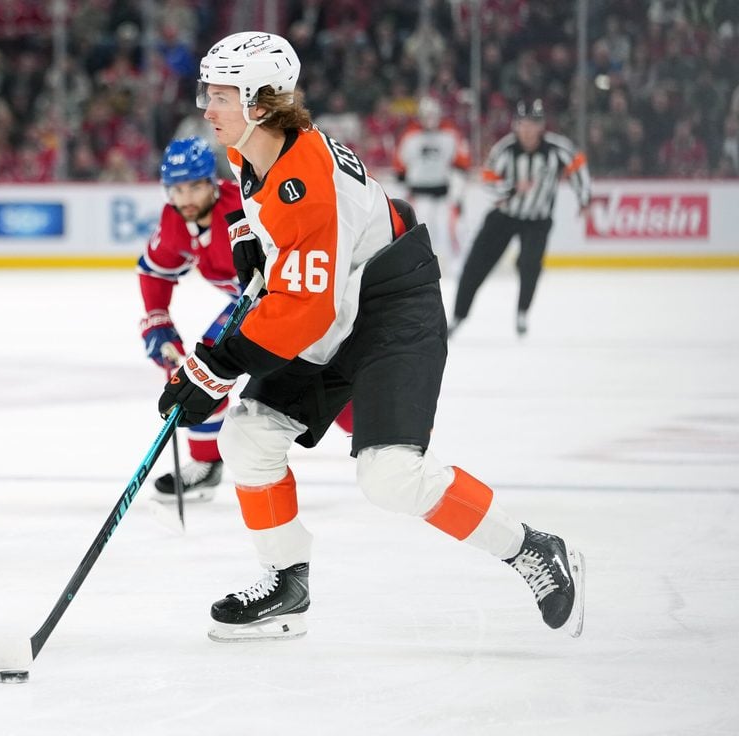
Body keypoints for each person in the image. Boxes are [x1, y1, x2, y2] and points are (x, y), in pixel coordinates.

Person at [157, 32, 585, 642]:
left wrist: (214, 367)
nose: (207, 108)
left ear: (258, 102)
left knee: (391, 477)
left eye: (220, 96)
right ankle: (286, 582)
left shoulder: (302, 179)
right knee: (250, 437)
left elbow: (303, 311)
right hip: (339, 303)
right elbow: (276, 245)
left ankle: (532, 549)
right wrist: (253, 246)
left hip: (390, 311)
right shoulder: (252, 151)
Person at [137, 137, 243, 502]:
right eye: (177, 189)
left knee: (327, 383)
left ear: (212, 182)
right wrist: (157, 319)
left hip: (289, 300)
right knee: (196, 370)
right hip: (249, 303)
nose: (187, 198)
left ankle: (391, 446)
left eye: (195, 186)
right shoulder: (174, 220)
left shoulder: (242, 211)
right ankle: (205, 462)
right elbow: (155, 271)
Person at [450, 99, 591, 337]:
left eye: (532, 124)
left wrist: (584, 199)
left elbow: (578, 167)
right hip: (505, 216)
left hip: (538, 219)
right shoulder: (505, 149)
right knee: (475, 265)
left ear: (541, 126)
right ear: (516, 125)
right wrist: (511, 188)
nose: (527, 130)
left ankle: (522, 312)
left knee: (530, 264)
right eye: (523, 124)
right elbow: (487, 177)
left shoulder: (557, 149)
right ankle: (457, 316)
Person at [392, 96, 471, 277]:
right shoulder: (410, 135)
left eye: (433, 114)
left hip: (442, 192)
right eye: (426, 115)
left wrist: (457, 190)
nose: (430, 119)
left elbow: (461, 162)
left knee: (448, 228)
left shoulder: (449, 134)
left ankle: (454, 262)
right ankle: (421, 263)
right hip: (418, 194)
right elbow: (399, 166)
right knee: (422, 229)